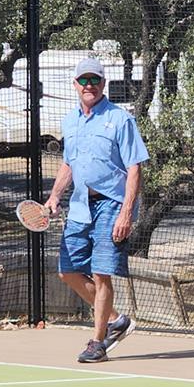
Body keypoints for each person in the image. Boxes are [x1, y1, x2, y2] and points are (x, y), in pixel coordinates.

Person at [45, 58, 150, 363]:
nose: (88, 85)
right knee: (67, 271)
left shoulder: (121, 119)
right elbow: (69, 163)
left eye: (94, 80)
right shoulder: (70, 121)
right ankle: (117, 321)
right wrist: (54, 198)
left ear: (104, 84)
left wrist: (126, 212)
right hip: (79, 205)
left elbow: (134, 168)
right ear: (75, 85)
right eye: (83, 80)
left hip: (111, 203)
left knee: (102, 274)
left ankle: (97, 341)